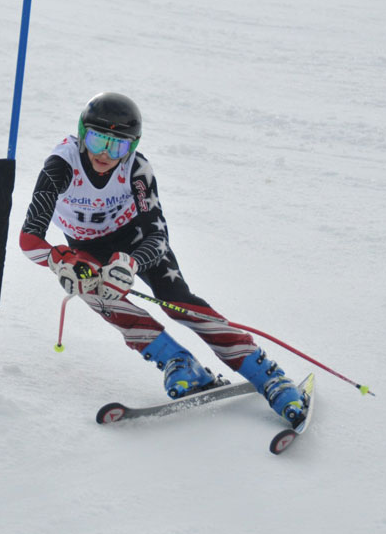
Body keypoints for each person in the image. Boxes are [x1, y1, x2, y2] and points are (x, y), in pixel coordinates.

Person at [19, 92, 306, 424]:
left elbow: (157, 236)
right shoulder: (61, 166)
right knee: (97, 293)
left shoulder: (137, 169)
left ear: (132, 146)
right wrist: (60, 261)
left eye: (118, 146)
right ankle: (178, 362)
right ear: (82, 134)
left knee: (176, 301)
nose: (105, 154)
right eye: (98, 140)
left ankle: (267, 374)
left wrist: (130, 264)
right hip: (86, 248)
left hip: (136, 241)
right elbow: (29, 238)